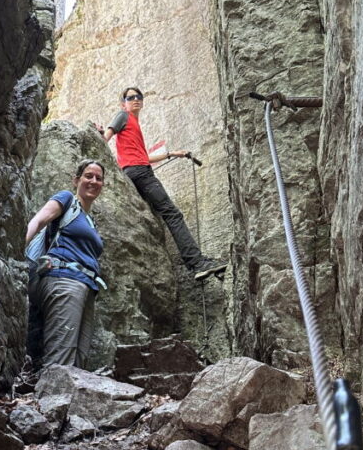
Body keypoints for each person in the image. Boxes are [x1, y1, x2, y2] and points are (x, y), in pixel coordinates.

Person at [100, 87, 227, 280]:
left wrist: (171, 154)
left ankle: (196, 262)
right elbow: (106, 137)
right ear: (123, 103)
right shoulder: (123, 115)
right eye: (130, 97)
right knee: (172, 213)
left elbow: (142, 156)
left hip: (135, 170)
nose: (136, 100)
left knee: (161, 213)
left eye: (138, 97)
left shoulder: (133, 123)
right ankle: (197, 263)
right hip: (140, 172)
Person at [25, 160, 106, 368]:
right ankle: (51, 399)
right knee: (60, 359)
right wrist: (16, 245)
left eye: (98, 178)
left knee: (79, 361)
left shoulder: (89, 221)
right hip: (63, 281)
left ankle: (68, 400)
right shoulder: (67, 199)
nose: (93, 181)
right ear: (76, 180)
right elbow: (39, 221)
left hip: (86, 287)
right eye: (88, 176)